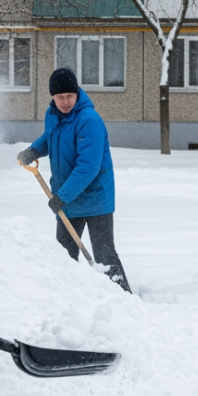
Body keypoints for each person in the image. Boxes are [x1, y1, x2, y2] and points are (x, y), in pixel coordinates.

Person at [16, 68, 131, 293]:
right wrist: (35, 150)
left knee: (104, 255)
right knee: (63, 255)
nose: (65, 102)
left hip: (94, 198)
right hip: (68, 198)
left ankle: (124, 298)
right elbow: (51, 136)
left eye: (70, 96)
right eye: (60, 97)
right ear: (53, 97)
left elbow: (88, 167)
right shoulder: (52, 114)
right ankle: (67, 298)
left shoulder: (89, 120)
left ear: (77, 93)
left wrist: (62, 196)